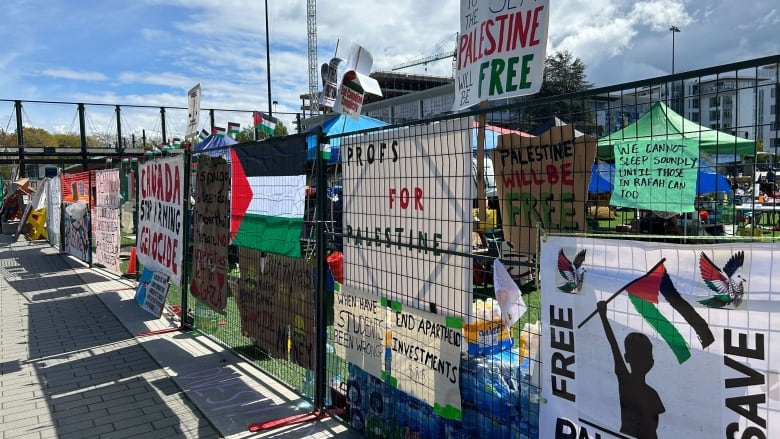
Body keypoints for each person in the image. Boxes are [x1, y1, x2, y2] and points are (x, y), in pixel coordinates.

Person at [597, 300, 665, 439]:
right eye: (639, 356)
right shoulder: (625, 380)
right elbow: (613, 345)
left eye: (646, 356)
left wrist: (603, 316)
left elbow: (654, 427)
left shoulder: (652, 395)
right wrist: (603, 317)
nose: (645, 360)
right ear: (627, 358)